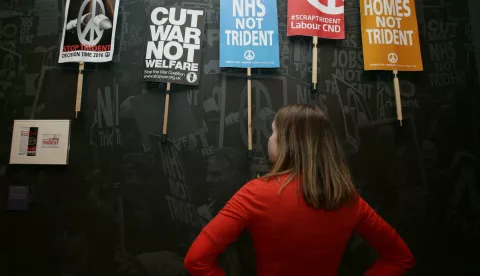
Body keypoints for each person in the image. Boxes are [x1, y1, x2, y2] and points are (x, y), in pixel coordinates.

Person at [184, 104, 415, 276]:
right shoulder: (347, 198)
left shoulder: (254, 193)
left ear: (288, 142)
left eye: (273, 132)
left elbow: (196, 260)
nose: (269, 139)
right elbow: (400, 257)